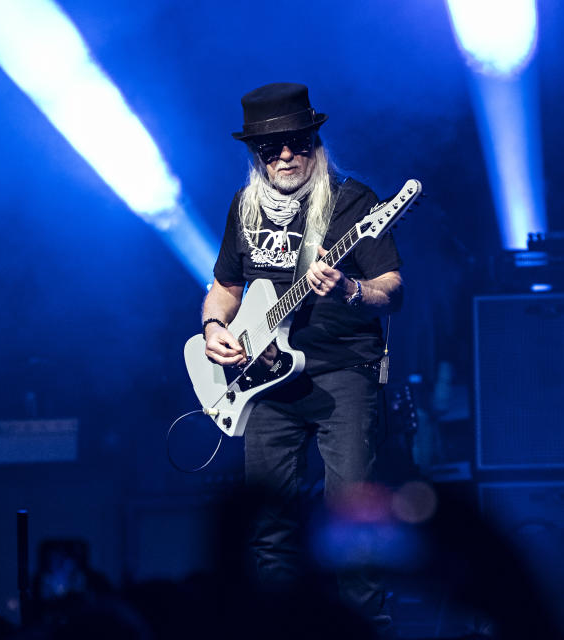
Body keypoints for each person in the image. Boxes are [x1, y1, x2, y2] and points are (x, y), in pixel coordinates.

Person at [199, 82, 403, 620]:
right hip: (265, 382)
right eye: (272, 148)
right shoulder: (245, 208)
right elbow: (225, 285)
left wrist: (350, 290)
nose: (286, 155)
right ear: (257, 156)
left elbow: (393, 289)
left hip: (344, 373)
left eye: (297, 143)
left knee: (353, 522)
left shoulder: (355, 203)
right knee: (268, 530)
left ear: (315, 141)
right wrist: (214, 325)